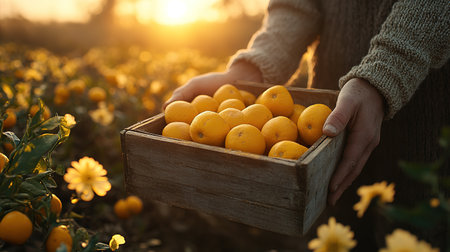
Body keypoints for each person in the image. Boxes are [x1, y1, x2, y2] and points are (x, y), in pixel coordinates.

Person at [165, 0, 449, 249]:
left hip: (423, 116)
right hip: (323, 134)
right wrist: (251, 70)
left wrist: (388, 70)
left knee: (417, 228)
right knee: (338, 229)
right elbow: (297, 4)